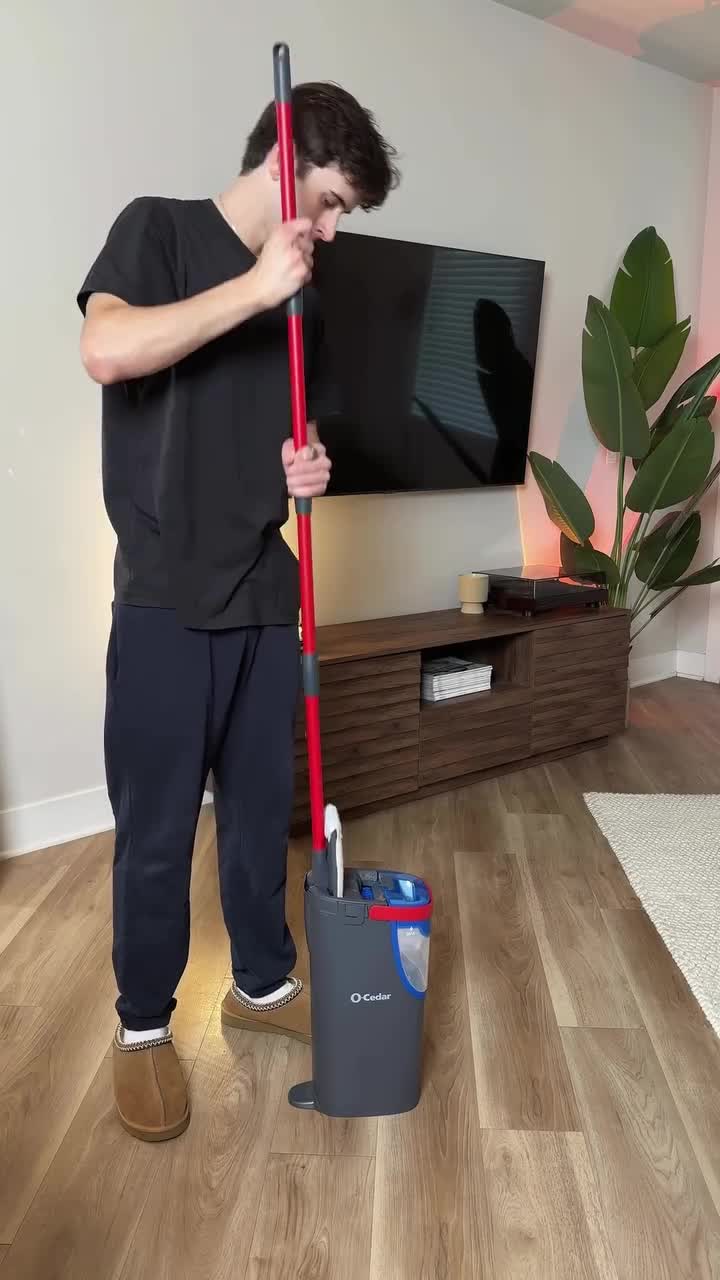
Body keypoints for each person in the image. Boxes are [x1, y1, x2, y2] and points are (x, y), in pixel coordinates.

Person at [77, 81, 398, 1142]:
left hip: (265, 589)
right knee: (158, 832)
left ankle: (261, 984)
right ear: (282, 160)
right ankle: (141, 1026)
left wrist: (305, 466)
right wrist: (255, 286)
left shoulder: (303, 298)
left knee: (262, 817)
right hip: (166, 595)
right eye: (331, 201)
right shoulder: (159, 232)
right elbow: (108, 350)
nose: (333, 229)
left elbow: (276, 435)